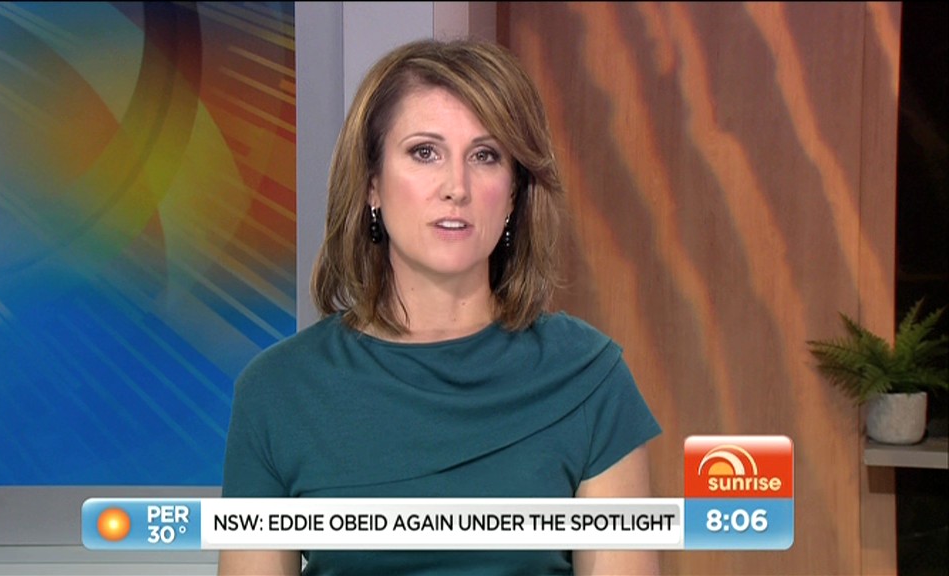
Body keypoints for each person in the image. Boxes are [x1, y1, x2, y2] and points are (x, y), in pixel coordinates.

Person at [217, 38, 661, 576]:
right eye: (425, 152)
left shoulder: (589, 379)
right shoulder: (278, 391)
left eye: (485, 156)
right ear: (372, 184)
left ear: (513, 193)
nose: (457, 187)